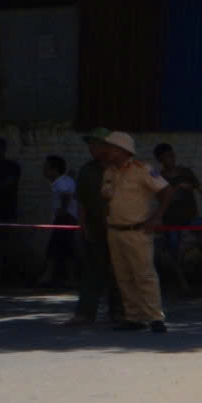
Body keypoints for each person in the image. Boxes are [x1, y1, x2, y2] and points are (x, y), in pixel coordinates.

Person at [96, 131, 170, 333]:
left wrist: (156, 217)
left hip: (137, 230)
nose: (106, 151)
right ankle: (134, 317)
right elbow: (105, 198)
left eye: (110, 147)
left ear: (121, 150)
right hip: (115, 230)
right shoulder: (109, 171)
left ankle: (155, 317)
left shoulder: (142, 169)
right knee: (123, 276)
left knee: (144, 275)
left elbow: (165, 191)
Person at [66, 135, 121, 326]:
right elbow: (81, 201)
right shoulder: (87, 171)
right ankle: (85, 313)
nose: (91, 149)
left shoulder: (121, 168)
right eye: (90, 145)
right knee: (91, 272)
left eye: (95, 145)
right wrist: (83, 226)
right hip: (95, 228)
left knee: (119, 272)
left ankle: (119, 313)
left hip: (119, 228)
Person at [150, 142, 202, 292]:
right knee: (175, 254)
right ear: (160, 160)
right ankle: (184, 285)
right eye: (167, 157)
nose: (171, 159)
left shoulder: (186, 172)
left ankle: (192, 252)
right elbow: (162, 200)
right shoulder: (158, 177)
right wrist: (178, 188)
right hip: (172, 222)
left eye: (172, 155)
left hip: (191, 218)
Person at [39, 155, 77, 287]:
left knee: (57, 248)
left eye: (46, 167)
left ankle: (49, 278)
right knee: (62, 249)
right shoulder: (65, 180)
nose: (43, 169)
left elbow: (66, 194)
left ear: (54, 169)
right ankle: (54, 277)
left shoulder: (60, 182)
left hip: (65, 219)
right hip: (66, 219)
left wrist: (62, 210)